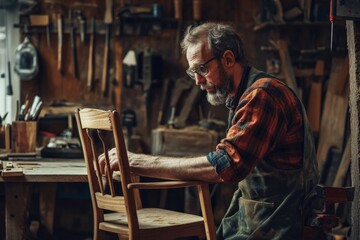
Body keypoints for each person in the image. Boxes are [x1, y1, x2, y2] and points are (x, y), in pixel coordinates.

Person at [99, 22, 319, 239]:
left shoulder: (263, 95)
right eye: (193, 71)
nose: (197, 81)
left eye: (202, 69)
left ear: (229, 59)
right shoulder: (242, 97)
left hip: (280, 226)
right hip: (258, 222)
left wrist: (136, 162)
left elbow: (226, 165)